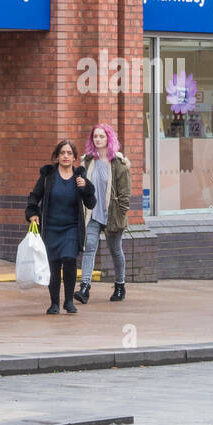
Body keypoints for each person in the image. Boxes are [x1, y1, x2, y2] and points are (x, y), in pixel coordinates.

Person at [27, 140, 96, 314]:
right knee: (54, 264)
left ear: (74, 158)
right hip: (51, 227)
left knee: (70, 259)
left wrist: (86, 187)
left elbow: (91, 203)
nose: (65, 156)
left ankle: (69, 302)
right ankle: (55, 303)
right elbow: (34, 196)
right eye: (62, 153)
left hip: (72, 227)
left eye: (69, 153)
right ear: (57, 156)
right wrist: (33, 213)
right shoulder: (48, 176)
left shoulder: (79, 177)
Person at [78, 123, 131, 303]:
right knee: (89, 247)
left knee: (115, 250)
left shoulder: (118, 163)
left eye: (102, 136)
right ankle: (84, 287)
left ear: (109, 138)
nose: (98, 139)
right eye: (95, 136)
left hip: (112, 214)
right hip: (92, 213)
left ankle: (120, 285)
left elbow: (125, 194)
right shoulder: (87, 161)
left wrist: (121, 214)